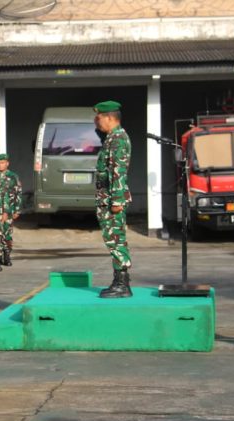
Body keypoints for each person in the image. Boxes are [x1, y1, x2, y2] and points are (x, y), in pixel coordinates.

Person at [93, 101, 133, 298]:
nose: (96, 121)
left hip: (112, 198)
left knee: (116, 239)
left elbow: (118, 171)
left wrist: (117, 200)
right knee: (112, 239)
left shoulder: (117, 139)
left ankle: (122, 284)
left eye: (98, 117)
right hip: (107, 197)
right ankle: (120, 281)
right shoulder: (111, 138)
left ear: (109, 117)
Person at [0, 153, 22, 266]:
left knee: (7, 233)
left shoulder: (13, 176)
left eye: (2, 163)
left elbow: (18, 193)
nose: (0, 165)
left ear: (7, 163)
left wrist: (17, 209)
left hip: (9, 210)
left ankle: (7, 255)